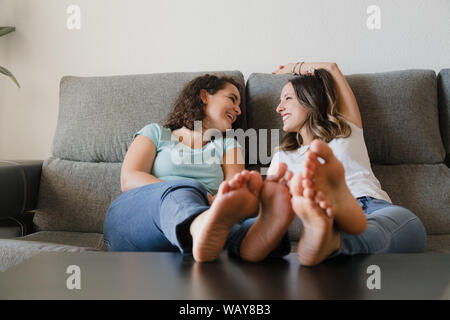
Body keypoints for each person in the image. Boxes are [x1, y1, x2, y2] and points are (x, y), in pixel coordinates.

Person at [103, 74, 293, 263]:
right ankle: (202, 225)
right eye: (232, 99)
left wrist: (219, 201)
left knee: (233, 220)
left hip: (206, 217)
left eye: (239, 105)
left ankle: (253, 237)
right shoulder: (156, 133)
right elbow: (128, 178)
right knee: (185, 191)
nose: (238, 111)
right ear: (204, 96)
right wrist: (187, 192)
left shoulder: (228, 144)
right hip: (138, 219)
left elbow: (233, 189)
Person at [264, 62, 428, 266]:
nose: (278, 108)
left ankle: (333, 241)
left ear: (311, 100)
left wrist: (295, 67)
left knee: (411, 227)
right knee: (385, 231)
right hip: (325, 211)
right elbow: (271, 204)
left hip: (373, 208)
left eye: (287, 98)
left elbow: (331, 68)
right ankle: (332, 234)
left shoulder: (346, 129)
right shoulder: (282, 156)